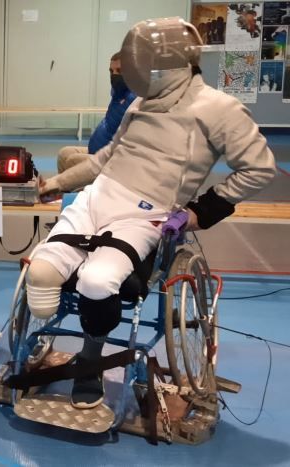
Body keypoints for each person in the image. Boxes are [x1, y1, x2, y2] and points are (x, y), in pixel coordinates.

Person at [30, 18, 276, 409]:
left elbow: (260, 169)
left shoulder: (219, 109)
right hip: (98, 197)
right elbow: (107, 158)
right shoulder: (142, 102)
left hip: (145, 214)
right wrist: (59, 182)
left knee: (96, 280)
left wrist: (198, 212)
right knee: (40, 276)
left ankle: (90, 359)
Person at [57, 52, 137, 173]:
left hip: (113, 159)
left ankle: (83, 190)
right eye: (111, 71)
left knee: (72, 161)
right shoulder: (118, 94)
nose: (114, 75)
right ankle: (59, 190)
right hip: (98, 150)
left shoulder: (136, 99)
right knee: (64, 153)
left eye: (119, 71)